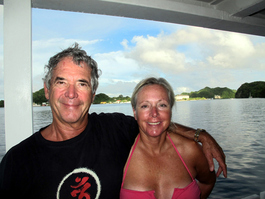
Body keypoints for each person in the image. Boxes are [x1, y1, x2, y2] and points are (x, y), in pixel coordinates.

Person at [0, 43, 226, 199]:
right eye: (61, 82)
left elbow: (153, 123)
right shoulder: (17, 161)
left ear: (93, 93)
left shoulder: (115, 130)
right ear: (47, 90)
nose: (71, 94)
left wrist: (201, 135)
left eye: (82, 83)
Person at [120, 77, 216, 199]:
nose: (154, 113)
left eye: (162, 105)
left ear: (170, 110)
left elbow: (207, 182)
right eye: (145, 106)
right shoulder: (121, 154)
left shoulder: (190, 150)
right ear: (134, 112)